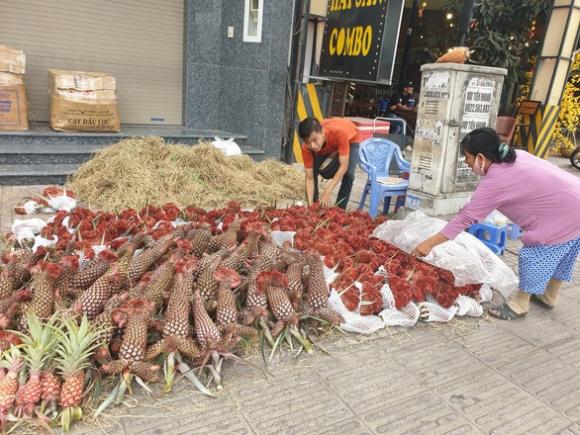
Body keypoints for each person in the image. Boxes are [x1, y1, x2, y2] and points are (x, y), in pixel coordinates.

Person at [411, 127, 580, 320]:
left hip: (567, 212)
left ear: (481, 157)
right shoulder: (517, 156)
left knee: (536, 254)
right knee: (563, 251)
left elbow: (465, 218)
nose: (466, 163)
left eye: (467, 157)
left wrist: (429, 243)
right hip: (575, 201)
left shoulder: (496, 180)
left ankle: (520, 304)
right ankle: (549, 296)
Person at [298, 117, 359, 209]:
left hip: (351, 139)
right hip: (329, 144)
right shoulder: (307, 148)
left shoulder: (339, 133)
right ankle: (314, 206)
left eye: (314, 140)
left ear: (322, 132)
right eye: (308, 142)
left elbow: (343, 166)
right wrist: (310, 207)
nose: (313, 146)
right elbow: (309, 178)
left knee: (349, 175)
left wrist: (327, 191)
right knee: (313, 170)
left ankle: (339, 210)